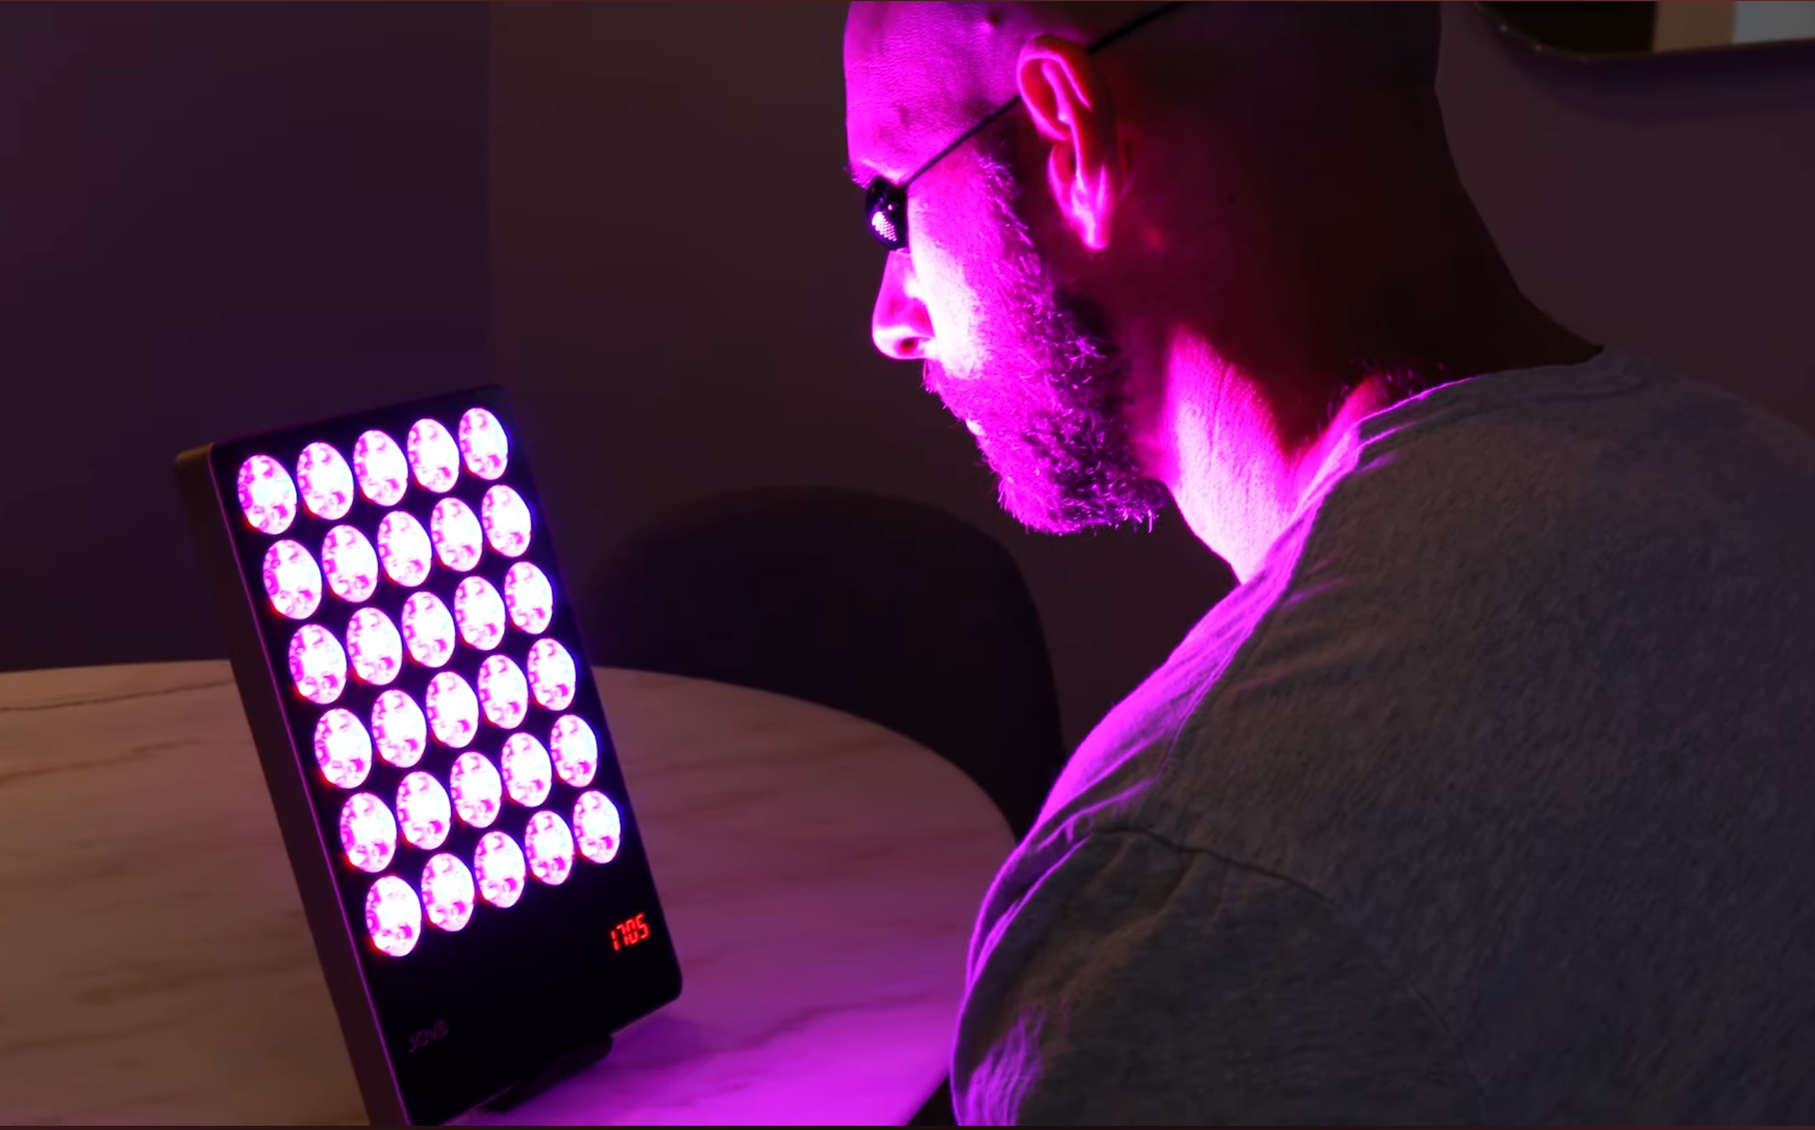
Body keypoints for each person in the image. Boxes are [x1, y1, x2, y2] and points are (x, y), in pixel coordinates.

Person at [843, 1, 1815, 1123]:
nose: (892, 320)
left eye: (891, 206)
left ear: (1073, 135)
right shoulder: (1777, 486)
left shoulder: (1183, 902)